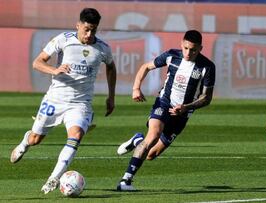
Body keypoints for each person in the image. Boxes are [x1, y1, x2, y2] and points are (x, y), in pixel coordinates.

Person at [10, 8, 117, 194]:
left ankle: (54, 178)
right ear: (78, 25)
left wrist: (111, 96)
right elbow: (37, 62)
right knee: (36, 139)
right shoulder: (63, 40)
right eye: (86, 29)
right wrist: (55, 70)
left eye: (93, 30)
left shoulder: (103, 48)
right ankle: (26, 141)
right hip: (56, 99)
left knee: (75, 136)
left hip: (81, 103)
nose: (89, 34)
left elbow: (111, 68)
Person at [116, 30, 215, 191]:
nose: (188, 53)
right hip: (163, 103)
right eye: (186, 48)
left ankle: (137, 141)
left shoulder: (207, 67)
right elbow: (146, 67)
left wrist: (186, 108)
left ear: (200, 48)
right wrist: (136, 88)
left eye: (193, 50)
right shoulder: (171, 56)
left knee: (151, 154)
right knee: (153, 135)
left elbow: (206, 98)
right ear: (181, 44)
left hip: (182, 114)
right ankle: (125, 181)